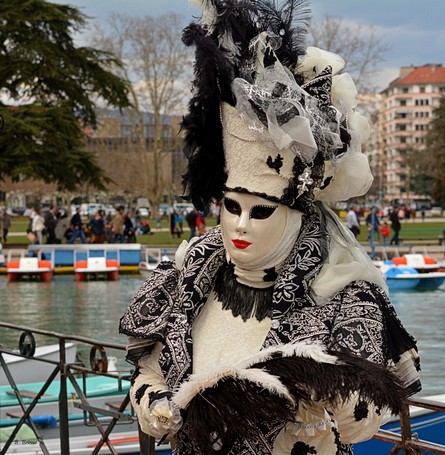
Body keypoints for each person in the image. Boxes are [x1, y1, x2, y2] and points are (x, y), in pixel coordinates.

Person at [120, 8, 421, 454]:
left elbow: (367, 412)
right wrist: (153, 402)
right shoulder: (190, 272)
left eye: (260, 212)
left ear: (294, 214)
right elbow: (151, 369)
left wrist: (320, 409)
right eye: (231, 206)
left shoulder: (341, 293)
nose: (239, 225)